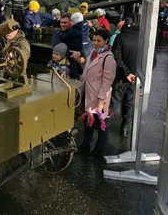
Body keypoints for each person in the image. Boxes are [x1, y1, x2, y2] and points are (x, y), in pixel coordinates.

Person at [110, 17, 157, 137]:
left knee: (114, 100)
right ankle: (125, 126)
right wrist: (139, 74)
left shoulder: (121, 37)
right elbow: (153, 60)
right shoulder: (145, 40)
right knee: (129, 102)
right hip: (136, 77)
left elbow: (116, 56)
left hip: (121, 75)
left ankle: (104, 124)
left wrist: (126, 72)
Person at [78, 29, 117, 159]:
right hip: (89, 94)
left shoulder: (108, 58)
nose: (95, 43)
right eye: (94, 40)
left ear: (106, 41)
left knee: (102, 123)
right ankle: (86, 145)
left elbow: (107, 81)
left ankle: (99, 149)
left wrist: (101, 100)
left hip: (100, 96)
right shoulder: (93, 54)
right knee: (88, 121)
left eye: (99, 41)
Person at [52, 12, 84, 79]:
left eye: (65, 23)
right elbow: (57, 49)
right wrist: (73, 53)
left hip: (74, 67)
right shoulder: (57, 34)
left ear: (71, 22)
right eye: (61, 22)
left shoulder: (76, 33)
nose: (62, 25)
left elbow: (82, 47)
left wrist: (80, 53)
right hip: (61, 66)